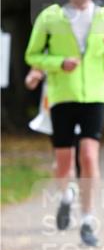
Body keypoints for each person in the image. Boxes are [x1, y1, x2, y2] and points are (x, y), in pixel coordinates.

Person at [25, 0, 104, 246]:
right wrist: (58, 63)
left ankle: (88, 220)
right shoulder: (50, 16)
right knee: (63, 163)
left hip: (95, 94)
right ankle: (66, 196)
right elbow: (32, 55)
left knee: (89, 156)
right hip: (62, 95)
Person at [25, 68, 79, 215]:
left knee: (69, 160)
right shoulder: (49, 56)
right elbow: (31, 79)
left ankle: (67, 195)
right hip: (53, 112)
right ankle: (66, 195)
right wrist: (32, 79)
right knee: (61, 161)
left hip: (80, 107)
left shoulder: (83, 56)